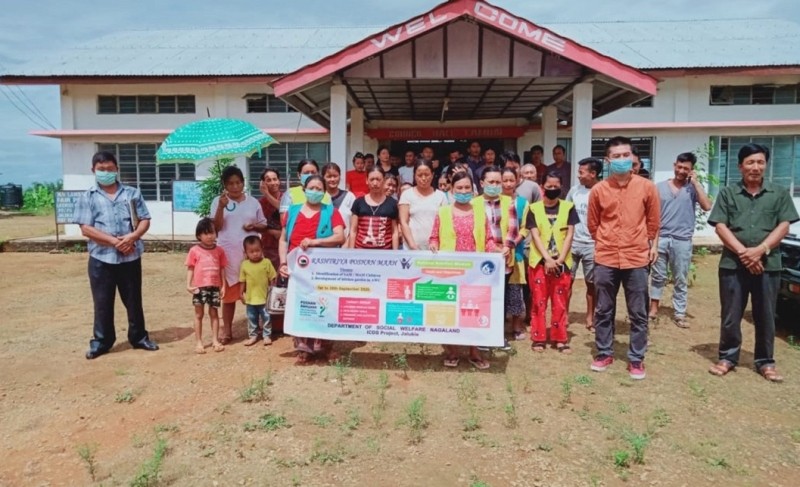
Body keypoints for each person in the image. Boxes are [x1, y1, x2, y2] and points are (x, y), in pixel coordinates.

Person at [707, 143, 799, 382]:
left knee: (766, 314)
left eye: (760, 162)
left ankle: (765, 361)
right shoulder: (728, 193)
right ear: (740, 166)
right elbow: (720, 225)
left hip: (768, 265)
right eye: (750, 162)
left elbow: (784, 225)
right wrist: (743, 253)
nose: (755, 167)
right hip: (732, 265)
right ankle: (727, 357)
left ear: (765, 165)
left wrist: (760, 250)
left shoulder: (779, 193)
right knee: (731, 314)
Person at [74, 150, 159, 359]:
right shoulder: (88, 197)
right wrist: (115, 242)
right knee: (102, 302)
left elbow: (145, 219)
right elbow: (86, 228)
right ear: (93, 170)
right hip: (101, 259)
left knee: (133, 300)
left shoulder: (132, 193)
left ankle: (139, 337)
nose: (106, 172)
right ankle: (102, 341)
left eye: (110, 169)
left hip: (131, 256)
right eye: (101, 169)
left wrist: (132, 237)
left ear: (117, 169)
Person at [587, 136, 660, 379]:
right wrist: (608, 241)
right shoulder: (598, 189)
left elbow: (653, 221)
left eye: (625, 155)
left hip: (636, 258)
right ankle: (604, 352)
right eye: (616, 156)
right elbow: (593, 224)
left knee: (638, 311)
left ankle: (636, 358)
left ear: (633, 158)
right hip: (606, 257)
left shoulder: (646, 187)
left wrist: (643, 242)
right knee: (604, 309)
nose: (621, 160)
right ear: (607, 160)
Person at [429, 171, 495, 370]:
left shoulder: (479, 212)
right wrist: (433, 245)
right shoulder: (443, 212)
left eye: (467, 188)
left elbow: (489, 239)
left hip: (475, 272)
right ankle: (452, 350)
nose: (464, 191)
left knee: (474, 310)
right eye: (459, 188)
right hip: (451, 271)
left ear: (473, 190)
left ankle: (474, 351)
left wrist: (494, 254)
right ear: (451, 190)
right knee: (451, 310)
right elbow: (434, 237)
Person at [278, 175, 347, 364]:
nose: (315, 192)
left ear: (324, 193)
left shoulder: (331, 212)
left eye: (319, 189)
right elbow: (284, 239)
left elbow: (340, 237)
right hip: (297, 270)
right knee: (301, 306)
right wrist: (283, 263)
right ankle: (303, 348)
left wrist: (315, 242)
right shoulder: (291, 212)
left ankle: (324, 346)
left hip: (322, 270)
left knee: (324, 304)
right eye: (311, 188)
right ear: (303, 189)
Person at [649, 152, 712, 328]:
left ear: (691, 170)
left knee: (680, 277)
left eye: (686, 168)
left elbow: (707, 207)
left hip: (682, 240)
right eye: (679, 166)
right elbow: (651, 213)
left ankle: (679, 313)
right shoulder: (659, 187)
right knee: (657, 276)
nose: (681, 170)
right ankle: (653, 309)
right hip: (660, 238)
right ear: (674, 165)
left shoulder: (693, 189)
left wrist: (696, 183)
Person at [211, 165, 267, 344]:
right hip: (227, 253)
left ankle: (258, 329)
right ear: (225, 185)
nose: (235, 187)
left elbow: (263, 224)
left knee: (255, 292)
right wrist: (221, 207)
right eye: (230, 183)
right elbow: (216, 228)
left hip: (251, 255)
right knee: (228, 296)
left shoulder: (253, 202)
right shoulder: (218, 201)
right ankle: (227, 330)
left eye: (238, 182)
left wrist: (254, 226)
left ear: (243, 182)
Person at [526, 171, 579, 353]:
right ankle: (539, 338)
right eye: (549, 187)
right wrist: (547, 259)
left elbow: (570, 234)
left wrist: (560, 259)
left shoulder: (569, 207)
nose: (553, 189)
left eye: (556, 187)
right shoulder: (533, 208)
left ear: (561, 187)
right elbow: (535, 235)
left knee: (560, 301)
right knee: (539, 301)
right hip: (539, 262)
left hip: (562, 263)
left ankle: (560, 338)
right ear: (542, 187)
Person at [566, 157, 603, 332]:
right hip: (572, 243)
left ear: (593, 173)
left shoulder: (603, 191)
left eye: (582, 172)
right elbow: (565, 213)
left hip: (592, 245)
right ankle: (563, 315)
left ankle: (591, 317)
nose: (578, 176)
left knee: (592, 284)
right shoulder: (574, 191)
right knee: (566, 281)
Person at [186, 218, 227, 354]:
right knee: (199, 314)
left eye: (212, 232)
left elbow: (222, 269)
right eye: (206, 233)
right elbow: (191, 268)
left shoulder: (220, 251)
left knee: (214, 313)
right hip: (199, 287)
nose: (210, 236)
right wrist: (188, 285)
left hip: (215, 286)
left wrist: (223, 286)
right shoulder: (194, 250)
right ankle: (199, 342)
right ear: (199, 235)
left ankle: (215, 340)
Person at [501, 167, 530, 340]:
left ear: (517, 181)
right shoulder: (493, 201)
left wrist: (512, 242)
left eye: (512, 180)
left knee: (515, 290)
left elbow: (525, 228)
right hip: (496, 253)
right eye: (505, 180)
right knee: (499, 291)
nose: (508, 183)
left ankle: (517, 325)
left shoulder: (523, 203)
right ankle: (499, 326)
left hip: (516, 252)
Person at [398, 160, 447, 251]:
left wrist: (437, 243)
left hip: (435, 249)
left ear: (432, 175)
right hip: (411, 248)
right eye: (419, 175)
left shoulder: (441, 196)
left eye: (427, 174)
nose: (423, 178)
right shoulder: (407, 195)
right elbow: (403, 222)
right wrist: (412, 246)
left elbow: (444, 223)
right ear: (414, 176)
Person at [347, 167, 400, 250]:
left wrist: (395, 254)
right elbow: (353, 230)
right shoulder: (358, 202)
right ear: (367, 181)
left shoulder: (392, 203)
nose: (375, 183)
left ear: (383, 180)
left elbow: (394, 232)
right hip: (361, 254)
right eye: (372, 179)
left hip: (385, 255)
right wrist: (351, 252)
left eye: (378, 179)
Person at [240, 236, 277, 346]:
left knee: (266, 317)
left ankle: (267, 335)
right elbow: (242, 280)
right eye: (251, 251)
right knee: (252, 318)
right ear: (245, 252)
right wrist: (240, 293)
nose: (255, 254)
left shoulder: (266, 262)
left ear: (262, 249)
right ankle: (253, 336)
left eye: (257, 250)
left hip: (265, 298)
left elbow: (273, 278)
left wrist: (272, 292)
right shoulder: (244, 265)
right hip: (251, 299)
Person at [321, 162, 356, 237]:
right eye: (329, 176)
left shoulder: (349, 197)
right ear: (323, 177)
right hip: (323, 244)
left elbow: (354, 225)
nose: (332, 179)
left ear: (340, 177)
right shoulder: (320, 197)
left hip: (346, 244)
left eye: (335, 176)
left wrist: (348, 244)